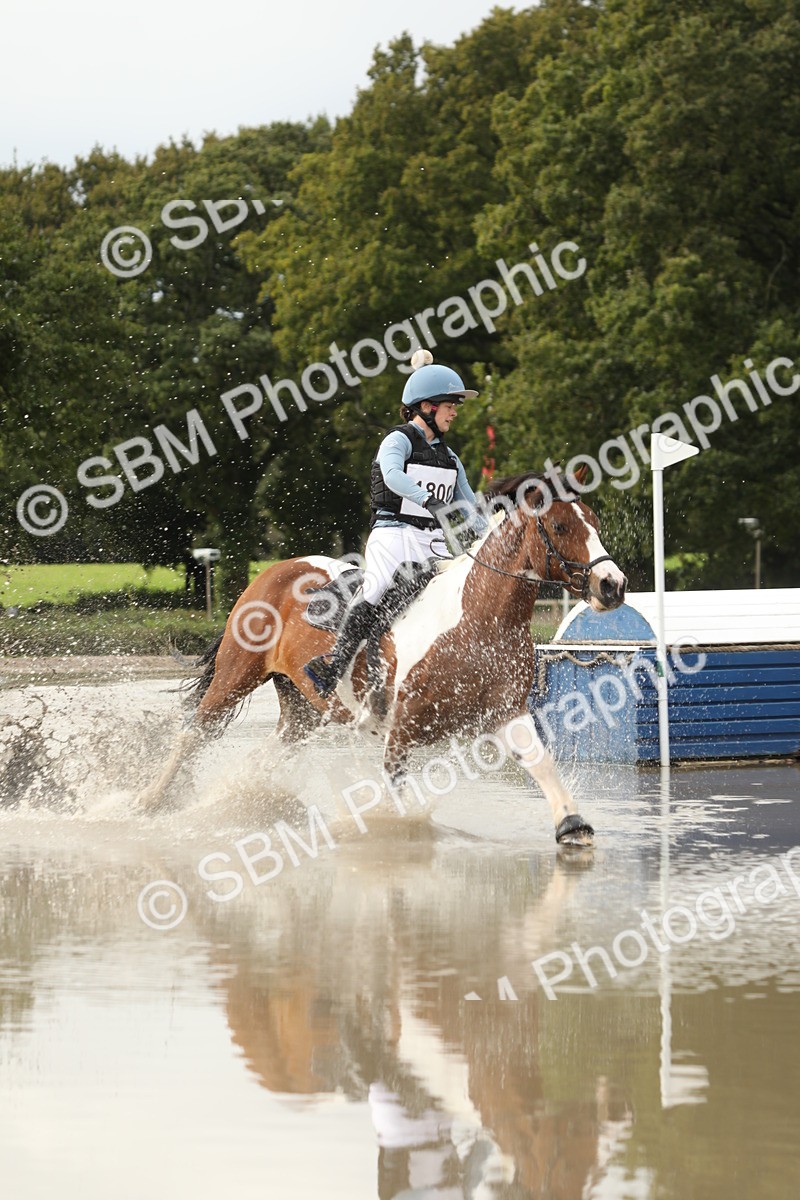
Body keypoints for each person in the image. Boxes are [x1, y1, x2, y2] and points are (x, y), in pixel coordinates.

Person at [304, 349, 488, 697]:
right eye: (450, 404)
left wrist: (493, 537)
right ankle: (332, 668)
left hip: (433, 541)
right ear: (427, 406)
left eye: (455, 406)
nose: (455, 411)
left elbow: (469, 508)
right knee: (376, 590)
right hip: (393, 534)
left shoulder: (450, 458)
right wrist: (429, 500)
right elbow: (391, 476)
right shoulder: (398, 440)